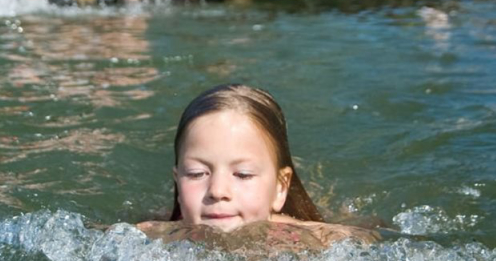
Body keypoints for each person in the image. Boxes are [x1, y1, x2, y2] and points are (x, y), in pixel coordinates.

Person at [137, 84, 376, 245]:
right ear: (178, 182)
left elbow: (373, 237)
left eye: (243, 174)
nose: (217, 191)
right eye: (197, 173)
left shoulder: (313, 240)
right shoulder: (151, 237)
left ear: (280, 188)